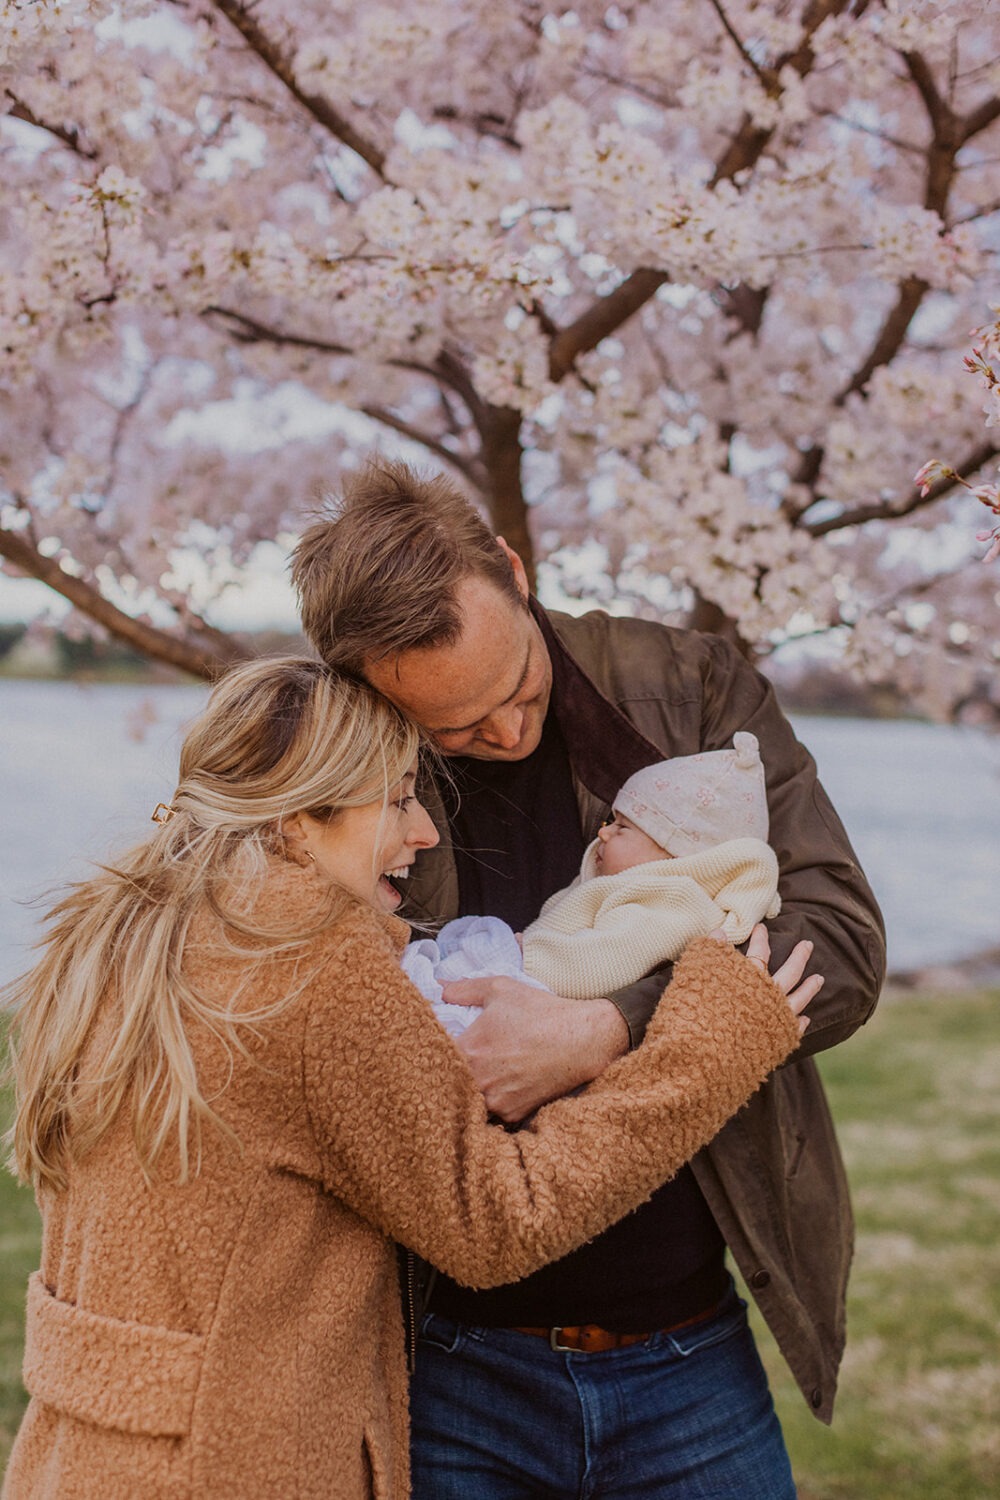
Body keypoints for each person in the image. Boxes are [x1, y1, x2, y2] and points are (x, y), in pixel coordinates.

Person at [2, 657, 814, 1500]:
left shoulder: (126, 932)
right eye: (396, 799)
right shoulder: (315, 963)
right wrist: (709, 1046)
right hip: (233, 1459)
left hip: (89, 1451)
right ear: (296, 821)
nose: (424, 831)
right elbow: (499, 1217)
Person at [291, 460, 887, 1499]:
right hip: (439, 1360)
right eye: (455, 731)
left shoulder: (693, 688)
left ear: (514, 572)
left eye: (518, 689)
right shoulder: (330, 761)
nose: (508, 734)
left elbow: (834, 944)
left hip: (688, 1348)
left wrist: (605, 1025)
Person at [404, 732, 780, 1033]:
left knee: (448, 999)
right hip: (534, 983)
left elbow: (606, 959)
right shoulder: (621, 881)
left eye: (622, 827)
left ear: (675, 853)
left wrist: (528, 956)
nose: (603, 834)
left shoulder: (672, 900)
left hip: (548, 995)